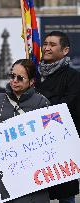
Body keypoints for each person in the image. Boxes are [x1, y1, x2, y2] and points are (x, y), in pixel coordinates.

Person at [0, 59, 50, 203]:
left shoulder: (41, 102)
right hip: (4, 173)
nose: (14, 81)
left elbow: (50, 139)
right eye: (12, 76)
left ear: (31, 81)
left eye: (20, 78)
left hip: (32, 176)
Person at [35, 31, 80, 203]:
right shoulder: (34, 76)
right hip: (36, 144)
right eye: (45, 44)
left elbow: (65, 107)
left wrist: (37, 104)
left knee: (66, 193)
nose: (46, 48)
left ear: (65, 50)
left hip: (62, 146)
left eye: (52, 45)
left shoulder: (73, 77)